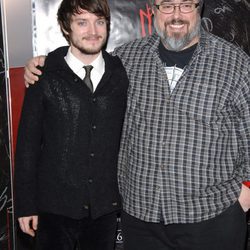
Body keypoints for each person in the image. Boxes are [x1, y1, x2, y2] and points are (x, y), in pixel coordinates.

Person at [24, 0, 250, 249]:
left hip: (211, 217)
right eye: (166, 5)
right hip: (142, 220)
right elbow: (79, 63)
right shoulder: (126, 59)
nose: (176, 15)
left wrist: (246, 191)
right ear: (153, 10)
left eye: (186, 5)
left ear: (200, 8)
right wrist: (46, 63)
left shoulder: (235, 64)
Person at [14, 0, 129, 249]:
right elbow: (27, 145)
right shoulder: (45, 74)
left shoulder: (120, 74)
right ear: (66, 27)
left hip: (103, 210)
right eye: (82, 22)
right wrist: (25, 205)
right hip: (53, 209)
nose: (93, 31)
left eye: (99, 22)